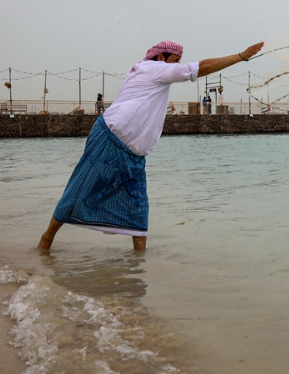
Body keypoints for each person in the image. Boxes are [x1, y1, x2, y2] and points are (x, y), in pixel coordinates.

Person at [38, 39, 264, 251]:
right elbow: (201, 68)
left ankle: (140, 262)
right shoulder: (152, 68)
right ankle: (46, 239)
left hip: (134, 155)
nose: (177, 65)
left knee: (138, 206)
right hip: (109, 139)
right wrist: (241, 56)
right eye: (175, 60)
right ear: (161, 57)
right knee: (81, 188)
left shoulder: (154, 72)